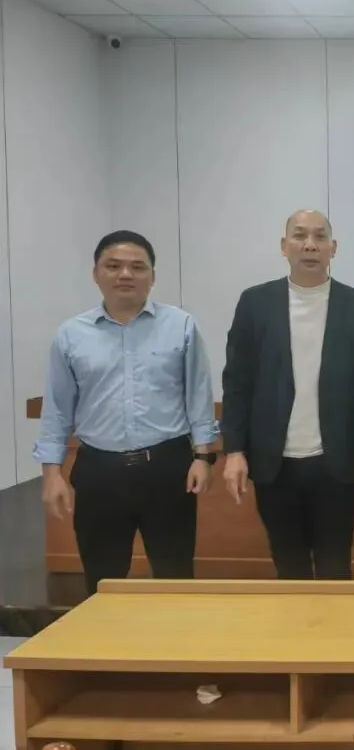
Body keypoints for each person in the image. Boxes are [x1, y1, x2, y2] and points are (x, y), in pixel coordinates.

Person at [35, 231, 217, 595]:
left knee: (176, 576)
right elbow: (57, 409)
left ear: (152, 276)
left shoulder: (180, 325)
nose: (125, 275)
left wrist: (203, 458)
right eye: (113, 266)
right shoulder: (71, 335)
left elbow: (199, 395)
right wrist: (51, 474)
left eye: (137, 267)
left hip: (167, 467)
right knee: (103, 581)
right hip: (99, 470)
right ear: (96, 274)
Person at [220, 210, 354, 580]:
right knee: (289, 566)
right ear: (284, 246)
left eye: (320, 236)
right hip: (273, 462)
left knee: (335, 566)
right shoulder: (255, 303)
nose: (310, 245)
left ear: (333, 248)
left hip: (335, 461)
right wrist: (234, 450)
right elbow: (237, 382)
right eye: (300, 235)